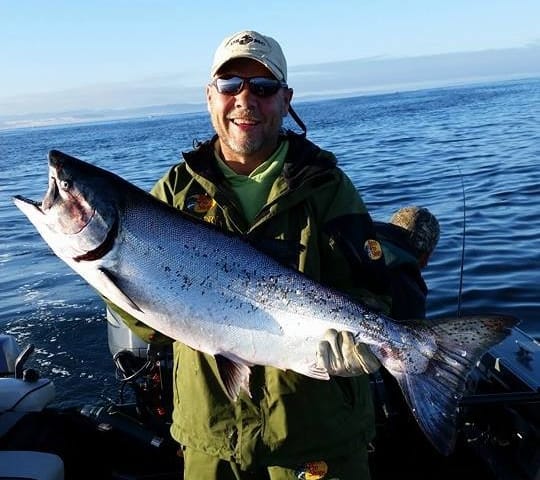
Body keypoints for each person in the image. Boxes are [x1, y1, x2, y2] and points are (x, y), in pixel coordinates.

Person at [111, 30, 391, 479]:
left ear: (285, 99)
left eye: (263, 87)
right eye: (230, 85)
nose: (245, 99)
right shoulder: (174, 192)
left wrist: (363, 336)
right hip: (212, 438)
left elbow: (375, 289)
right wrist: (113, 279)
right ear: (209, 97)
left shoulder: (326, 187)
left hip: (317, 437)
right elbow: (148, 327)